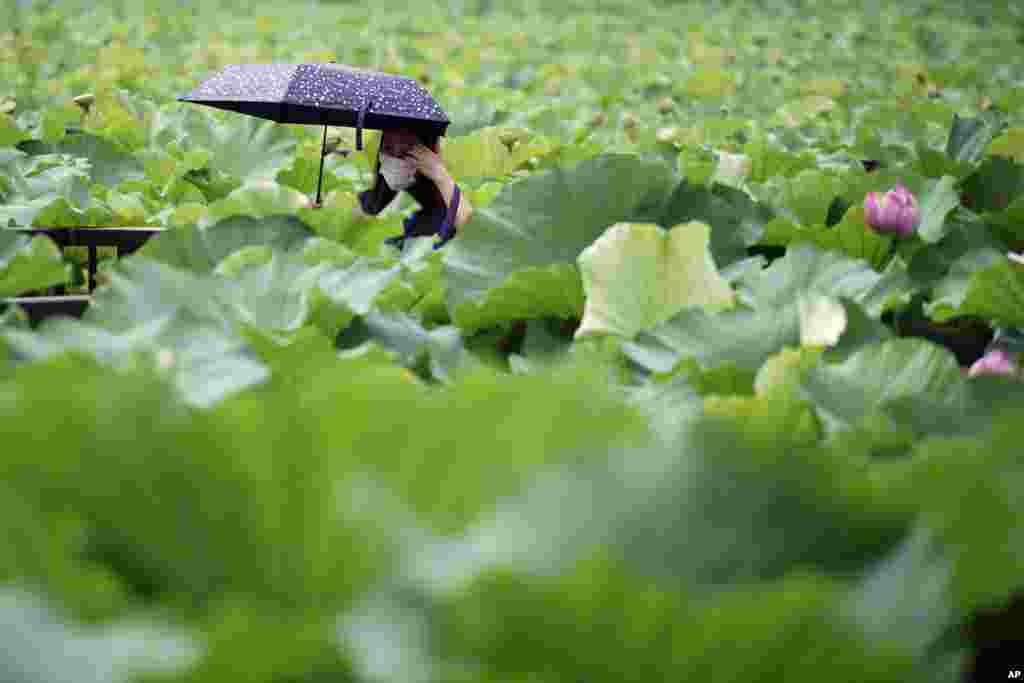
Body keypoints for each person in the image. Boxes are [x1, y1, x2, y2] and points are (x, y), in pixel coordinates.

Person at [354, 127, 473, 250]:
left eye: (407, 151)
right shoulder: (362, 203)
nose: (395, 157)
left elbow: (474, 236)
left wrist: (441, 174)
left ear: (427, 157)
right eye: (388, 148)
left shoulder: (442, 214)